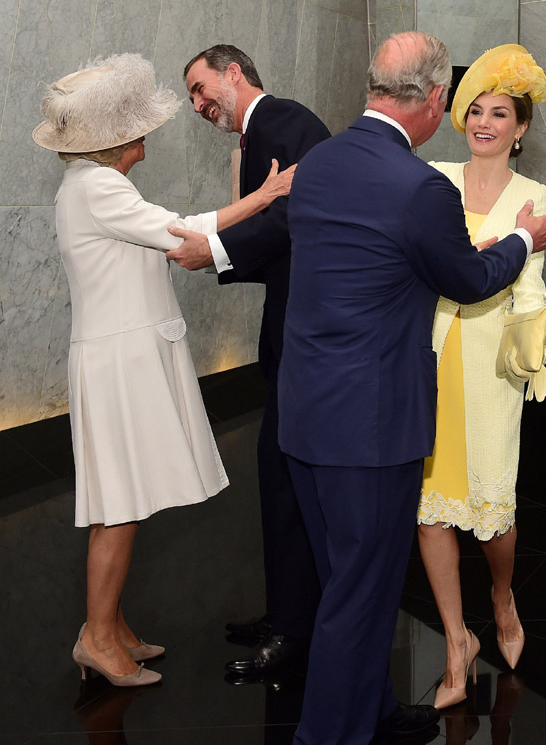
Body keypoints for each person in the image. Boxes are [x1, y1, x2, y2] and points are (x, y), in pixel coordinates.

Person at [277, 31, 546, 745]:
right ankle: (326, 736)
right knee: (356, 594)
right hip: (369, 426)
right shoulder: (419, 185)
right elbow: (466, 280)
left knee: (353, 582)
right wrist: (524, 242)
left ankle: (370, 711)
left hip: (305, 413)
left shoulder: (319, 164)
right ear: (435, 101)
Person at [32, 53, 294, 687]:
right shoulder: (97, 188)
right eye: (137, 125)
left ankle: (110, 626)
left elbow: (164, 239)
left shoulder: (93, 188)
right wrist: (265, 195)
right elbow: (183, 233)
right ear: (116, 140)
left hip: (118, 356)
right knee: (119, 505)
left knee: (120, 501)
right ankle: (98, 638)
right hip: (119, 362)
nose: (145, 135)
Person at [167, 44, 331, 676]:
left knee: (286, 478)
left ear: (234, 73)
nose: (200, 104)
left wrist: (215, 251)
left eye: (202, 88)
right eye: (192, 99)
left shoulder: (284, 121)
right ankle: (286, 612)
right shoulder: (262, 130)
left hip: (305, 333)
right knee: (279, 477)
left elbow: (296, 216)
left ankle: (294, 629)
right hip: (290, 329)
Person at [417, 44, 546, 710]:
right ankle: (454, 640)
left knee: (493, 514)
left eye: (499, 112)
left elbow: (526, 284)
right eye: (475, 110)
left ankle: (501, 595)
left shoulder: (534, 195)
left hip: (494, 367)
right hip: (432, 355)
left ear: (519, 127)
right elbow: (421, 260)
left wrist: (533, 350)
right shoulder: (434, 179)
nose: (483, 122)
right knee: (430, 508)